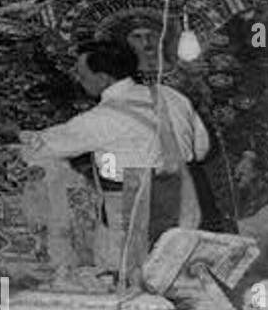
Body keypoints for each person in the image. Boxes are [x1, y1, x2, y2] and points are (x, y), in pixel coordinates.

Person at [21, 38, 211, 280]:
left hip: (131, 210)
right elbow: (201, 148)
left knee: (126, 285)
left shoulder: (102, 118)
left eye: (82, 73)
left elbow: (42, 148)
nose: (79, 79)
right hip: (184, 200)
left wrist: (28, 138)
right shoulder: (173, 96)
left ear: (103, 79)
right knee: (175, 275)